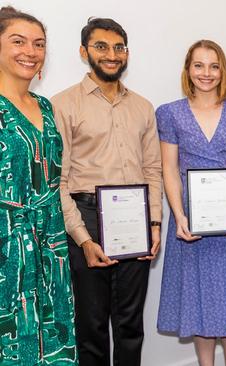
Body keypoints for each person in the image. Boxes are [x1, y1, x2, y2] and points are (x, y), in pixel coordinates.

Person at [51, 17, 162, 366]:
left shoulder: (143, 107)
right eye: (101, 46)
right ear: (84, 52)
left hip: (135, 217)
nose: (111, 55)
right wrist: (83, 238)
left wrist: (155, 223)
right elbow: (59, 180)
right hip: (87, 218)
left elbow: (153, 170)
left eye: (119, 47)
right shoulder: (63, 104)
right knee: (92, 324)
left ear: (127, 53)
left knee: (130, 324)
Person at [155, 40, 226, 366]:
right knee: (198, 297)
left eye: (213, 66)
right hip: (190, 218)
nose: (206, 73)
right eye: (199, 65)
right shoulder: (169, 113)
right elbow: (169, 169)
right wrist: (179, 215)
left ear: (223, 70)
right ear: (188, 70)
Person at [0, 6, 78, 365]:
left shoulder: (45, 107)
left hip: (50, 242)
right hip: (7, 248)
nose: (30, 52)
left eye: (38, 44)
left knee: (54, 339)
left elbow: (54, 177)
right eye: (18, 41)